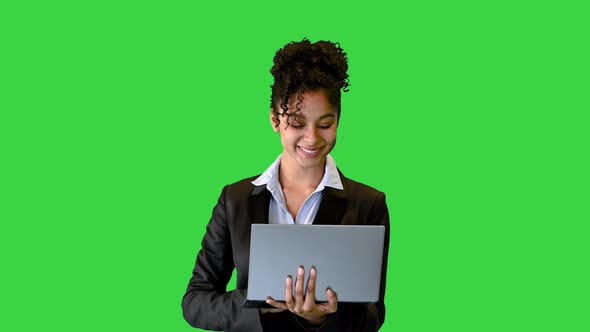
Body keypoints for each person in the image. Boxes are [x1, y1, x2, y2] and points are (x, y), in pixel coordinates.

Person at [181, 38, 390, 332]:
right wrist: (259, 305)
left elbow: (373, 315)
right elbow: (194, 302)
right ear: (274, 120)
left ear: (339, 121)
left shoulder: (368, 203)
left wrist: (320, 318)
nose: (312, 138)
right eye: (297, 122)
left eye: (326, 124)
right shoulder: (236, 199)